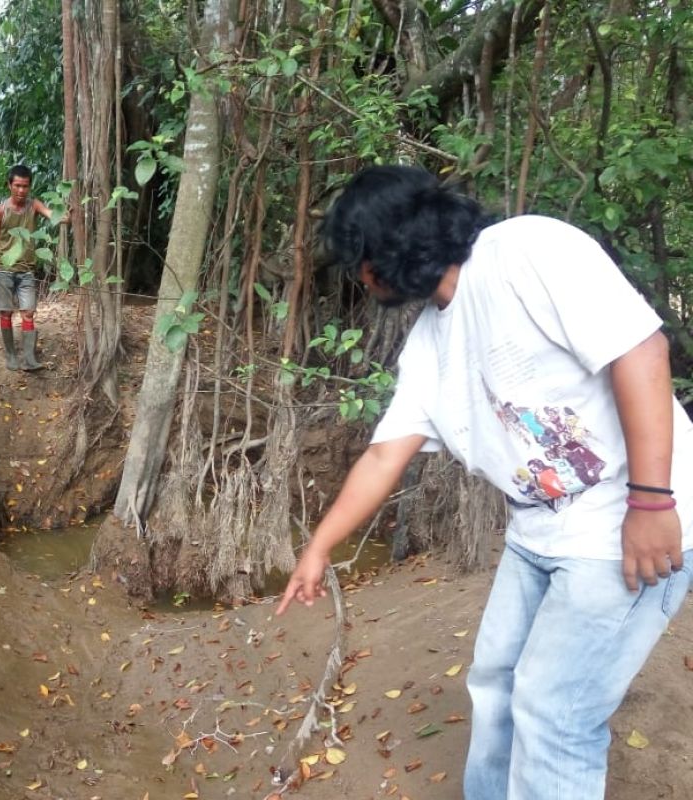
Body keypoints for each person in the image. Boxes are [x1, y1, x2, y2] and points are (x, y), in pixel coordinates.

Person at [275, 165, 692, 799]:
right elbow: (386, 456)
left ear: (394, 244)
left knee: (555, 713)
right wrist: (319, 547)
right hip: (538, 528)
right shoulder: (427, 344)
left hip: (626, 516)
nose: (360, 278)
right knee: (497, 681)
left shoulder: (527, 251)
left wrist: (652, 499)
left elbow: (641, 350)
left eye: (361, 259)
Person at [0, 164, 59, 371]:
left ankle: (29, 358)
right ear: (9, 185)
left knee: (28, 313)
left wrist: (65, 216)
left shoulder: (33, 205)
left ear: (29, 187)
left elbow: (51, 214)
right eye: (17, 185)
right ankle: (10, 355)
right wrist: (2, 259)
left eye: (25, 186)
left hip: (27, 269)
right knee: (5, 313)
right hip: (4, 269)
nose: (21, 190)